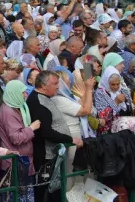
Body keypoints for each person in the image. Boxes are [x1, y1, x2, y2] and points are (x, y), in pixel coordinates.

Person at [27, 71, 81, 202]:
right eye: (55, 83)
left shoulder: (45, 98)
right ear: (44, 85)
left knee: (54, 190)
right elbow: (46, 132)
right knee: (45, 191)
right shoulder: (38, 101)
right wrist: (70, 139)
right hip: (46, 156)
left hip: (52, 155)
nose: (58, 87)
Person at [0, 80, 39, 202]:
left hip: (24, 161)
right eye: (23, 93)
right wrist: (31, 128)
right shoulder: (8, 112)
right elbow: (16, 138)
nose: (25, 95)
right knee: (19, 197)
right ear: (14, 93)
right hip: (15, 163)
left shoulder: (18, 107)